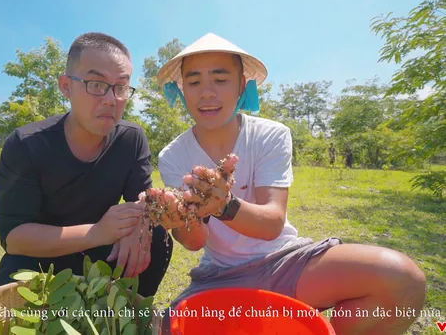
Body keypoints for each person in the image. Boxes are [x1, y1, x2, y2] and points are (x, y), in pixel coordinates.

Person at [151, 33, 425, 335]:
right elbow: (194, 242)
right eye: (194, 82)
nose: (206, 93)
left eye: (220, 79)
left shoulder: (271, 135)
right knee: (163, 329)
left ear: (242, 86)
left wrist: (225, 206)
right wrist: (176, 219)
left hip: (286, 262)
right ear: (181, 90)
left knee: (402, 279)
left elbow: (271, 224)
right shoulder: (173, 155)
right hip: (220, 275)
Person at [0, 32, 173, 298]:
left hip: (102, 254)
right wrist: (96, 232)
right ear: (66, 86)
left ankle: (133, 314)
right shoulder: (26, 144)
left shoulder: (131, 139)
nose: (111, 99)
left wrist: (140, 225)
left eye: (121, 87)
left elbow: (143, 203)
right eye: (96, 84)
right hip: (39, 257)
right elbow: (14, 238)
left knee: (156, 237)